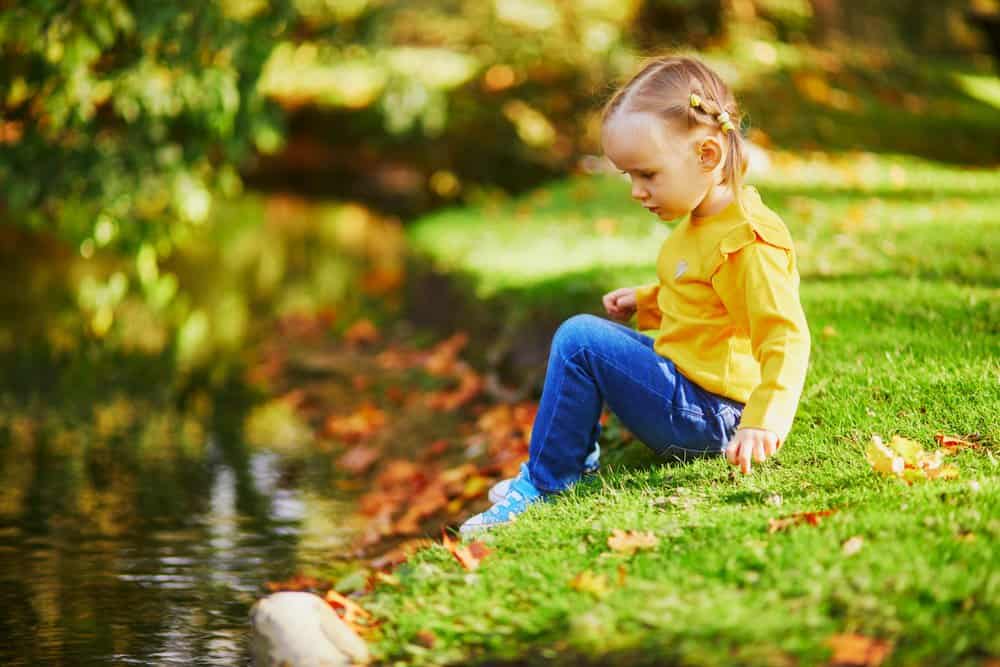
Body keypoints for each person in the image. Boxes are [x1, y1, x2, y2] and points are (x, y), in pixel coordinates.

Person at [460, 55, 810, 534]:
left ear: (707, 155)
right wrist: (646, 302)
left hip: (716, 417)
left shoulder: (746, 240)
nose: (636, 191)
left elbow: (785, 336)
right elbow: (701, 297)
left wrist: (763, 422)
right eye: (629, 177)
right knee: (590, 342)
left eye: (647, 174)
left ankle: (547, 484)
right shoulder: (707, 220)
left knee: (580, 340)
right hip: (696, 391)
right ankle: (567, 456)